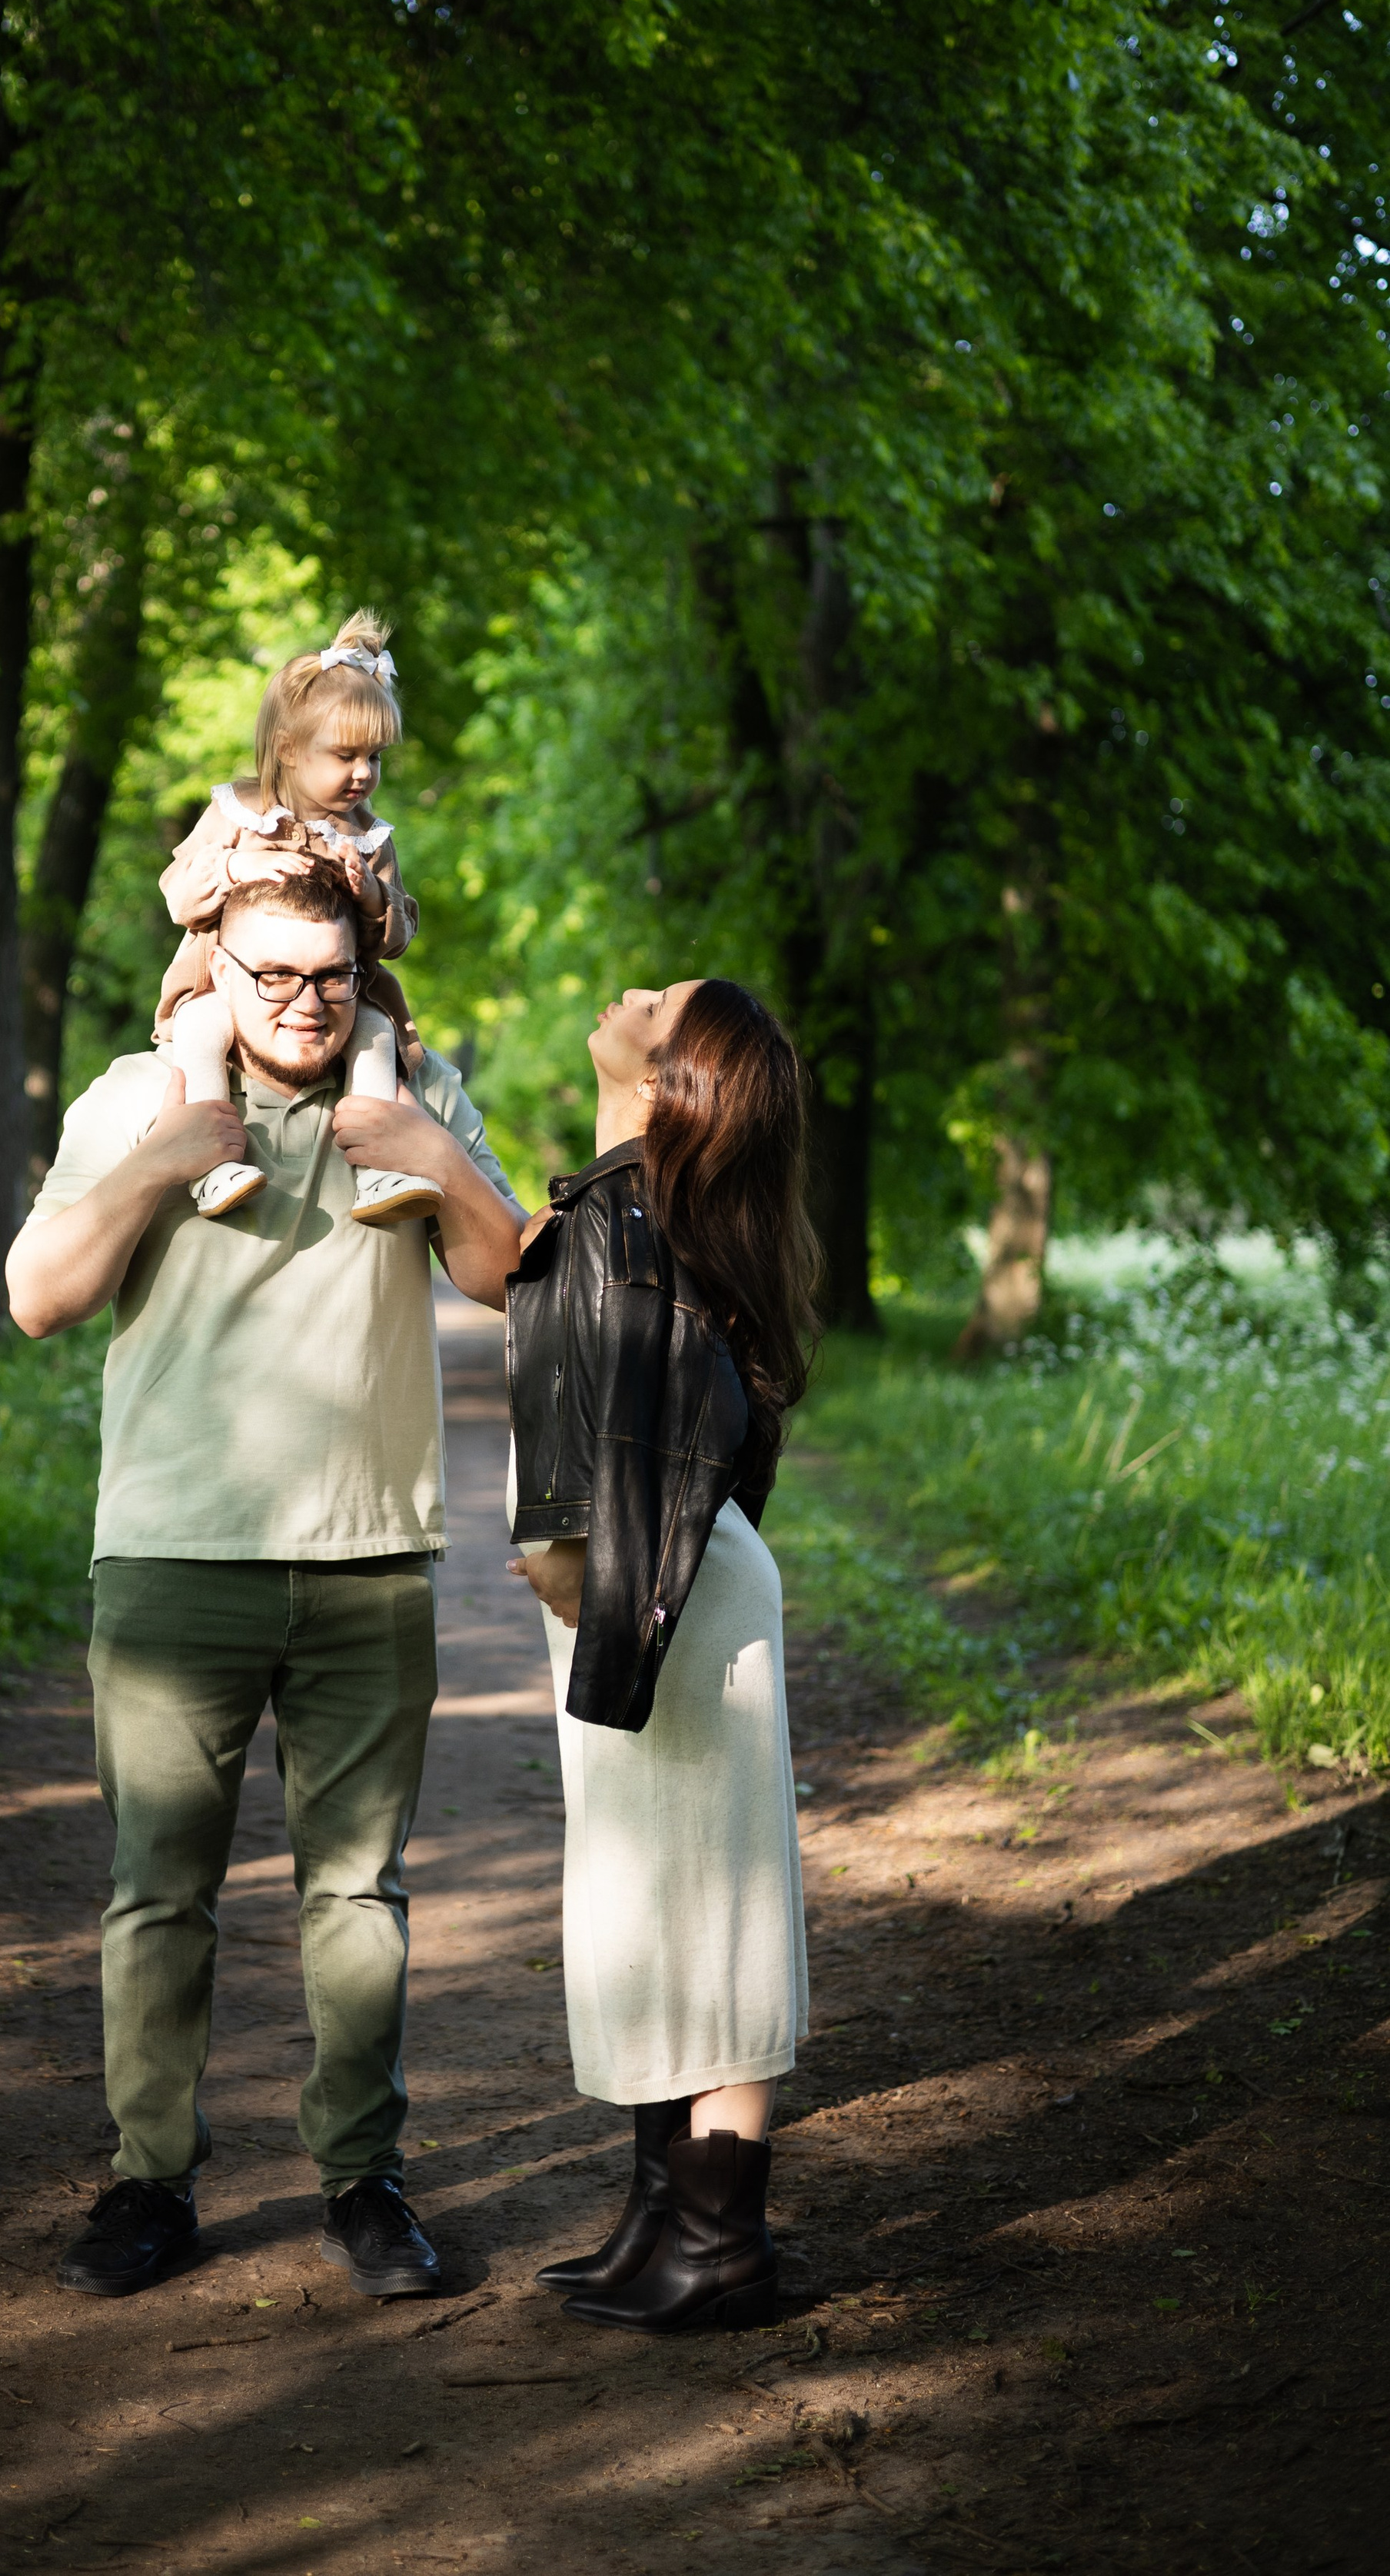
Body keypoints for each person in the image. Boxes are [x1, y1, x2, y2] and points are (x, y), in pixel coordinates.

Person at [7, 864, 524, 2303]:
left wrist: (425, 1141)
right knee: (158, 1893)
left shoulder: (412, 1088)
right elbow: (38, 1296)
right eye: (272, 976)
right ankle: (148, 2184)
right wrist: (170, 1155)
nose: (302, 1003)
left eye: (330, 976)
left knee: (359, 1895)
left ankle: (366, 2184)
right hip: (176, 1557)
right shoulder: (135, 1098)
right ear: (212, 968)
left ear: (367, 968)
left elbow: (505, 1277)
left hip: (370, 1556)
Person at [504, 977, 820, 2335]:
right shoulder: (629, 1203)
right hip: (664, 1586)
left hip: (673, 1593)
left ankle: (721, 2245)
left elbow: (672, 1426)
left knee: (718, 1916)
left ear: (673, 1069)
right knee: (651, 1907)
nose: (626, 990)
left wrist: (580, 1560)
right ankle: (659, 2220)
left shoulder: (633, 1223)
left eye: (655, 999)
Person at [155, 614, 434, 1225]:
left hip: (333, 994)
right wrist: (233, 867)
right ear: (288, 749)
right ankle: (210, 1161)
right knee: (200, 1030)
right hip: (226, 985)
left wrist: (370, 898)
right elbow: (179, 897)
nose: (364, 773)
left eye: (376, 758)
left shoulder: (369, 839)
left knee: (377, 1035)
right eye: (345, 755)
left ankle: (376, 1168)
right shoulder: (239, 812)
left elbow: (396, 940)